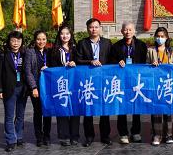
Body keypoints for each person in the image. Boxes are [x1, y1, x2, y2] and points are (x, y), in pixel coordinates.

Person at [76, 18, 113, 146]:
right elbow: (78, 60)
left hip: (103, 81)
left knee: (104, 110)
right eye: (91, 27)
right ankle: (89, 136)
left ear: (100, 28)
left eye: (96, 27)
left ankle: (105, 136)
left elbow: (112, 60)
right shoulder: (82, 43)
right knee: (88, 110)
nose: (94, 29)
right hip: (88, 81)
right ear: (87, 29)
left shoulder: (107, 43)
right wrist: (90, 61)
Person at [110, 21, 148, 144]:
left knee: (136, 106)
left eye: (130, 30)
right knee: (122, 107)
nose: (128, 32)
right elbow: (111, 62)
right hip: (122, 81)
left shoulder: (142, 45)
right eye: (125, 30)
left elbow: (144, 62)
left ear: (134, 31)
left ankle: (136, 132)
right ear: (121, 31)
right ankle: (123, 133)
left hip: (136, 80)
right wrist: (118, 62)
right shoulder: (115, 46)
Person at [0, 31, 27, 152]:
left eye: (18, 41)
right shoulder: (2, 54)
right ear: (9, 41)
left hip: (22, 88)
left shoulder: (24, 53)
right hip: (9, 89)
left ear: (22, 42)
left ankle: (19, 137)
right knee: (9, 116)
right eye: (13, 40)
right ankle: (10, 141)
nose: (15, 43)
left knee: (20, 115)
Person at [49, 25, 80, 147]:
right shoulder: (54, 50)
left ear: (71, 35)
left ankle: (75, 136)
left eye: (67, 33)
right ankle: (64, 136)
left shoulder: (76, 49)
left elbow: (82, 62)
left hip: (74, 84)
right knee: (62, 109)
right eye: (62, 33)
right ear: (59, 35)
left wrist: (75, 62)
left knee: (75, 110)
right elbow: (51, 66)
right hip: (60, 84)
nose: (65, 36)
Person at [24, 30, 52, 147]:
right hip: (36, 87)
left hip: (48, 87)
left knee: (48, 111)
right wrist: (33, 87)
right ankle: (39, 137)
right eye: (39, 39)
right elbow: (28, 71)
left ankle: (47, 136)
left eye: (43, 39)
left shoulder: (49, 52)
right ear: (35, 40)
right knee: (38, 111)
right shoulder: (30, 52)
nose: (41, 42)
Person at [146, 27, 173, 146]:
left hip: (167, 84)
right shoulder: (151, 50)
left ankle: (168, 135)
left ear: (166, 37)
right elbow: (145, 65)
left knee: (168, 110)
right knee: (156, 110)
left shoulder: (170, 51)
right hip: (155, 84)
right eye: (158, 36)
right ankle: (157, 135)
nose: (160, 38)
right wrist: (151, 65)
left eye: (162, 36)